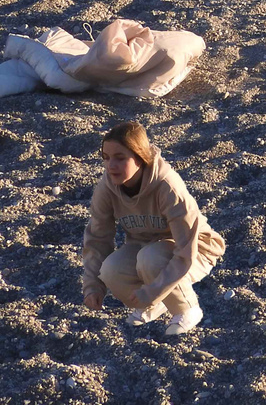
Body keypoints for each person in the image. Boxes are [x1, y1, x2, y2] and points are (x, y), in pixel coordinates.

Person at [81, 121, 226, 337]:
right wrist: (92, 286)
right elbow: (97, 239)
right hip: (145, 249)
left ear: (140, 158)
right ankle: (155, 305)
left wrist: (152, 290)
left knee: (150, 258)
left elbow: (186, 250)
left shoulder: (167, 186)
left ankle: (187, 309)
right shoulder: (107, 188)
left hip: (197, 250)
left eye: (120, 158)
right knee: (111, 269)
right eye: (106, 158)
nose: (111, 165)